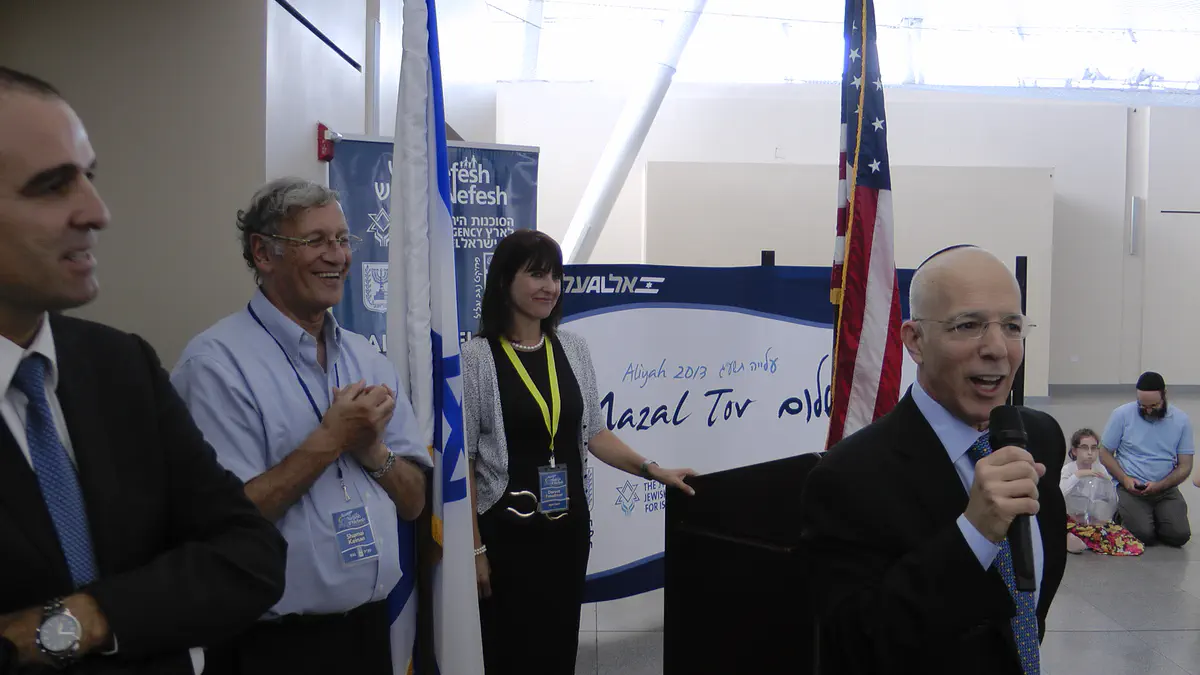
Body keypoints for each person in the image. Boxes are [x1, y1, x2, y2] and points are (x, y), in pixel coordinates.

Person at [0, 67, 287, 673]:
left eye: (89, 177)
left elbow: (251, 554)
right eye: (51, 186)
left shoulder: (119, 365)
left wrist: (84, 620)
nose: (97, 211)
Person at [170, 177, 432, 675]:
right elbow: (225, 520)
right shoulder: (216, 366)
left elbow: (415, 502)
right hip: (273, 647)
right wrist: (331, 440)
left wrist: (373, 452)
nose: (338, 256)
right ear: (263, 253)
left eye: (343, 239)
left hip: (369, 632)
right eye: (315, 240)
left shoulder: (366, 358)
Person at [800, 245, 1066, 675]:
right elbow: (856, 645)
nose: (997, 348)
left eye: (1011, 326)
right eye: (968, 325)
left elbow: (1027, 608)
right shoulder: (848, 477)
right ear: (915, 341)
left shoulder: (1041, 437)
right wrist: (974, 534)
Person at [463, 230, 696, 674]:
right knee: (509, 652)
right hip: (507, 533)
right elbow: (466, 461)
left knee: (558, 647)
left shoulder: (572, 348)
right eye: (537, 275)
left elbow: (595, 433)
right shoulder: (477, 357)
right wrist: (475, 551)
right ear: (504, 281)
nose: (550, 286)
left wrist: (653, 470)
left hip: (566, 531)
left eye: (555, 276)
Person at [1098, 371, 1193, 547]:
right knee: (1143, 535)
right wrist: (1124, 478)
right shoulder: (1121, 415)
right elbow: (1104, 452)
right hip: (1130, 488)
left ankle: (1154, 517)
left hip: (1166, 489)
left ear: (1164, 395)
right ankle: (1123, 514)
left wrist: (1161, 485)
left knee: (1179, 535)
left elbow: (1185, 465)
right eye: (1142, 406)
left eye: (1154, 405)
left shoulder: (1181, 420)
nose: (1148, 410)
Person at [1060, 428, 1142, 556]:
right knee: (1073, 540)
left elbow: (1112, 498)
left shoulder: (1100, 469)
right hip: (1072, 520)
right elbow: (1061, 493)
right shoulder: (1068, 470)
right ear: (1075, 451)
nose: (1090, 453)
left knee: (1127, 541)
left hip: (1094, 521)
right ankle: (1074, 539)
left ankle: (1088, 540)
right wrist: (1078, 475)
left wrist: (1105, 483)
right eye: (1084, 448)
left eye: (1093, 448)